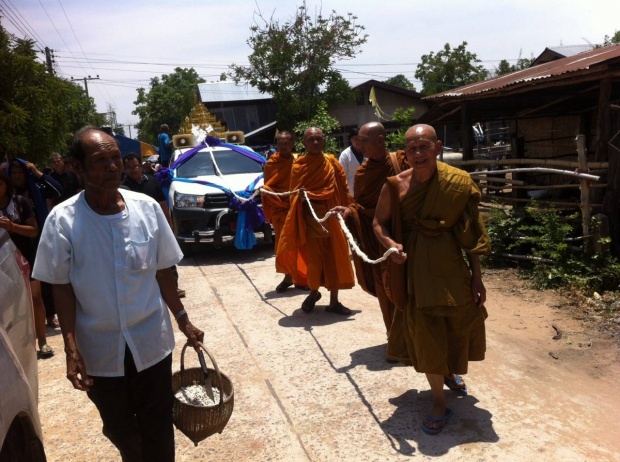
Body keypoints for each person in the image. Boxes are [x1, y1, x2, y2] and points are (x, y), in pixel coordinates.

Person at [33, 126, 204, 461]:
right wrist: (70, 345)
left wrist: (183, 320)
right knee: (120, 429)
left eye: (115, 158)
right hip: (99, 349)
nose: (113, 166)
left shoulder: (147, 209)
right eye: (101, 160)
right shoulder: (62, 221)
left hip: (151, 343)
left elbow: (163, 271)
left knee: (157, 425)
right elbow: (61, 286)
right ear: (78, 168)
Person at [373, 124, 491, 435]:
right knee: (425, 331)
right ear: (405, 152)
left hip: (452, 266)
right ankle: (438, 400)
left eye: (424, 146)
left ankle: (450, 372)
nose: (417, 153)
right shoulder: (396, 185)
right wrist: (391, 245)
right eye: (411, 148)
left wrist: (477, 279)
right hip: (414, 271)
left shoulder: (457, 183)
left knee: (456, 322)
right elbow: (378, 224)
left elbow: (472, 235)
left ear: (437, 147)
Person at [332, 122, 408, 345]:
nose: (360, 145)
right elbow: (362, 209)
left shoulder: (402, 162)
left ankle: (416, 338)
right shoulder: (364, 174)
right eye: (358, 140)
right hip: (381, 242)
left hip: (409, 238)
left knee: (412, 289)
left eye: (365, 140)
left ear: (381, 140)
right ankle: (394, 338)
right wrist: (349, 211)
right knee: (387, 289)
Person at [276, 127, 355, 315]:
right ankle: (313, 292)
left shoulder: (332, 162)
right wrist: (302, 197)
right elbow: (293, 195)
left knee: (334, 259)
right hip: (311, 221)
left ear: (324, 141)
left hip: (333, 218)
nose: (316, 143)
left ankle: (334, 301)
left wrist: (349, 210)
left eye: (319, 139)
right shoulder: (300, 165)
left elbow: (343, 189)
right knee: (314, 261)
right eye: (311, 140)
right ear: (304, 143)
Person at [8, 158, 62, 355]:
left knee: (42, 283)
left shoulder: (35, 187)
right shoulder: (8, 196)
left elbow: (57, 191)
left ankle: (49, 316)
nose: (17, 176)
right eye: (13, 174)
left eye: (20, 173)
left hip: (38, 238)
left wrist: (38, 173)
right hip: (12, 247)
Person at [0, 171, 53, 358]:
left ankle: (43, 342)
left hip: (26, 258)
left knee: (36, 299)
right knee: (9, 305)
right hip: (3, 263)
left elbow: (33, 230)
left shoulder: (20, 202)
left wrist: (12, 227)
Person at [122, 153, 185, 298]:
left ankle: (173, 288)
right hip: (137, 230)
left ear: (141, 166)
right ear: (125, 169)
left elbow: (162, 204)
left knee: (166, 257)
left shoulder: (152, 181)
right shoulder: (124, 188)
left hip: (156, 226)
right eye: (129, 167)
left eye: (136, 166)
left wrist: (169, 224)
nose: (133, 170)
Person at [261, 131, 309, 293]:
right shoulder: (271, 164)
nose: (283, 146)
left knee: (302, 242)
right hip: (280, 210)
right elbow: (268, 187)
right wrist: (277, 199)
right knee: (284, 244)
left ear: (293, 144)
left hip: (298, 208)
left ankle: (301, 277)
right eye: (280, 143)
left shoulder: (299, 161)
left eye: (286, 143)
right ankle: (288, 277)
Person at [338, 127, 364, 196]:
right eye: (356, 139)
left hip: (367, 192)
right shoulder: (345, 155)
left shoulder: (367, 152)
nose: (358, 141)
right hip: (351, 193)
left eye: (360, 139)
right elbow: (341, 175)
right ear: (351, 139)